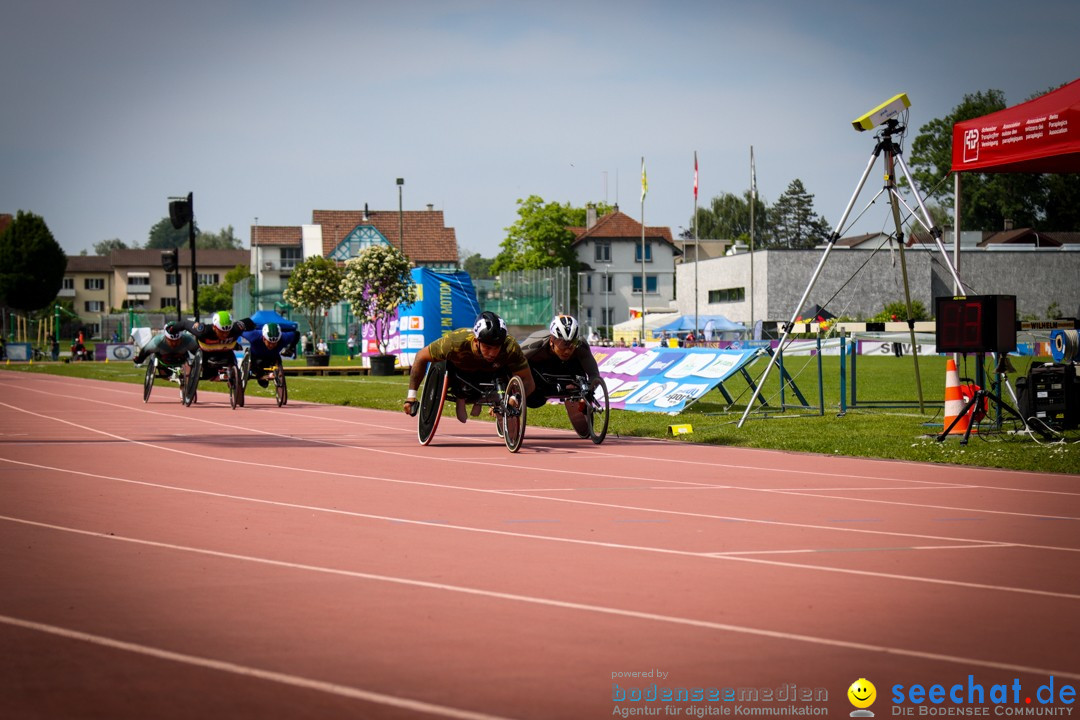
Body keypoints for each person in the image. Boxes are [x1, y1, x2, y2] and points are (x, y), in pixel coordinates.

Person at [403, 310, 534, 421]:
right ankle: (461, 395)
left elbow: (528, 382)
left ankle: (493, 398)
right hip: (461, 373)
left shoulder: (510, 347)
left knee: (505, 367)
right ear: (477, 341)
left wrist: (515, 398)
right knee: (455, 367)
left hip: (492, 374)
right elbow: (421, 356)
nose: (492, 352)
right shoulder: (455, 342)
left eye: (496, 348)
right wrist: (411, 397)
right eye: (488, 347)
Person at [520, 315, 601, 410]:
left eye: (571, 345)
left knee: (578, 364)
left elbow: (594, 375)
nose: (567, 351)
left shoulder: (581, 345)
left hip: (567, 372)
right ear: (551, 341)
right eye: (563, 345)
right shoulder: (536, 343)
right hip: (536, 386)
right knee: (535, 401)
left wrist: (588, 392)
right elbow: (512, 363)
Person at [183, 310, 255, 380]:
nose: (224, 335)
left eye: (227, 332)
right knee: (208, 374)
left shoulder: (237, 327)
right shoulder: (203, 331)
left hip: (226, 351)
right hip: (207, 354)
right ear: (214, 327)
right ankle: (213, 374)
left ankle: (233, 376)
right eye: (221, 332)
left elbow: (251, 323)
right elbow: (184, 324)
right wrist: (172, 330)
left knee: (233, 365)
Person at [133, 321, 200, 380]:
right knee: (164, 377)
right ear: (166, 338)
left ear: (181, 337)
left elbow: (198, 352)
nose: (174, 343)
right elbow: (145, 351)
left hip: (180, 359)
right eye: (171, 341)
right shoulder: (157, 341)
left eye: (177, 341)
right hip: (164, 362)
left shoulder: (188, 340)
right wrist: (139, 360)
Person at [240, 322, 299, 387]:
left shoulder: (283, 338)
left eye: (274, 343)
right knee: (259, 364)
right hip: (255, 360)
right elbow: (238, 330)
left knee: (275, 362)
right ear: (264, 338)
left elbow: (297, 334)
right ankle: (260, 375)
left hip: (272, 358)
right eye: (269, 342)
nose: (271, 345)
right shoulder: (254, 336)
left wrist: (291, 348)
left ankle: (265, 375)